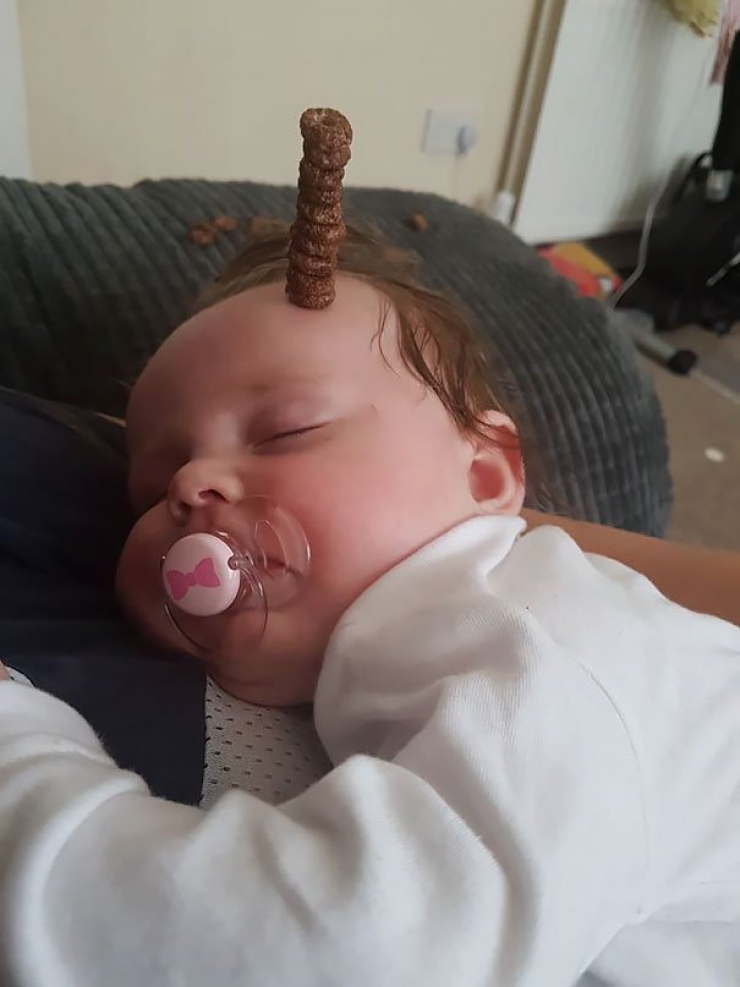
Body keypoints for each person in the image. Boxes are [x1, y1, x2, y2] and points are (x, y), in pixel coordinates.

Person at [0, 224, 738, 987]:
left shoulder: (541, 652)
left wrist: (16, 750)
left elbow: (351, 950)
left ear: (484, 478)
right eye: (152, 490)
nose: (191, 486)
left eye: (285, 431)